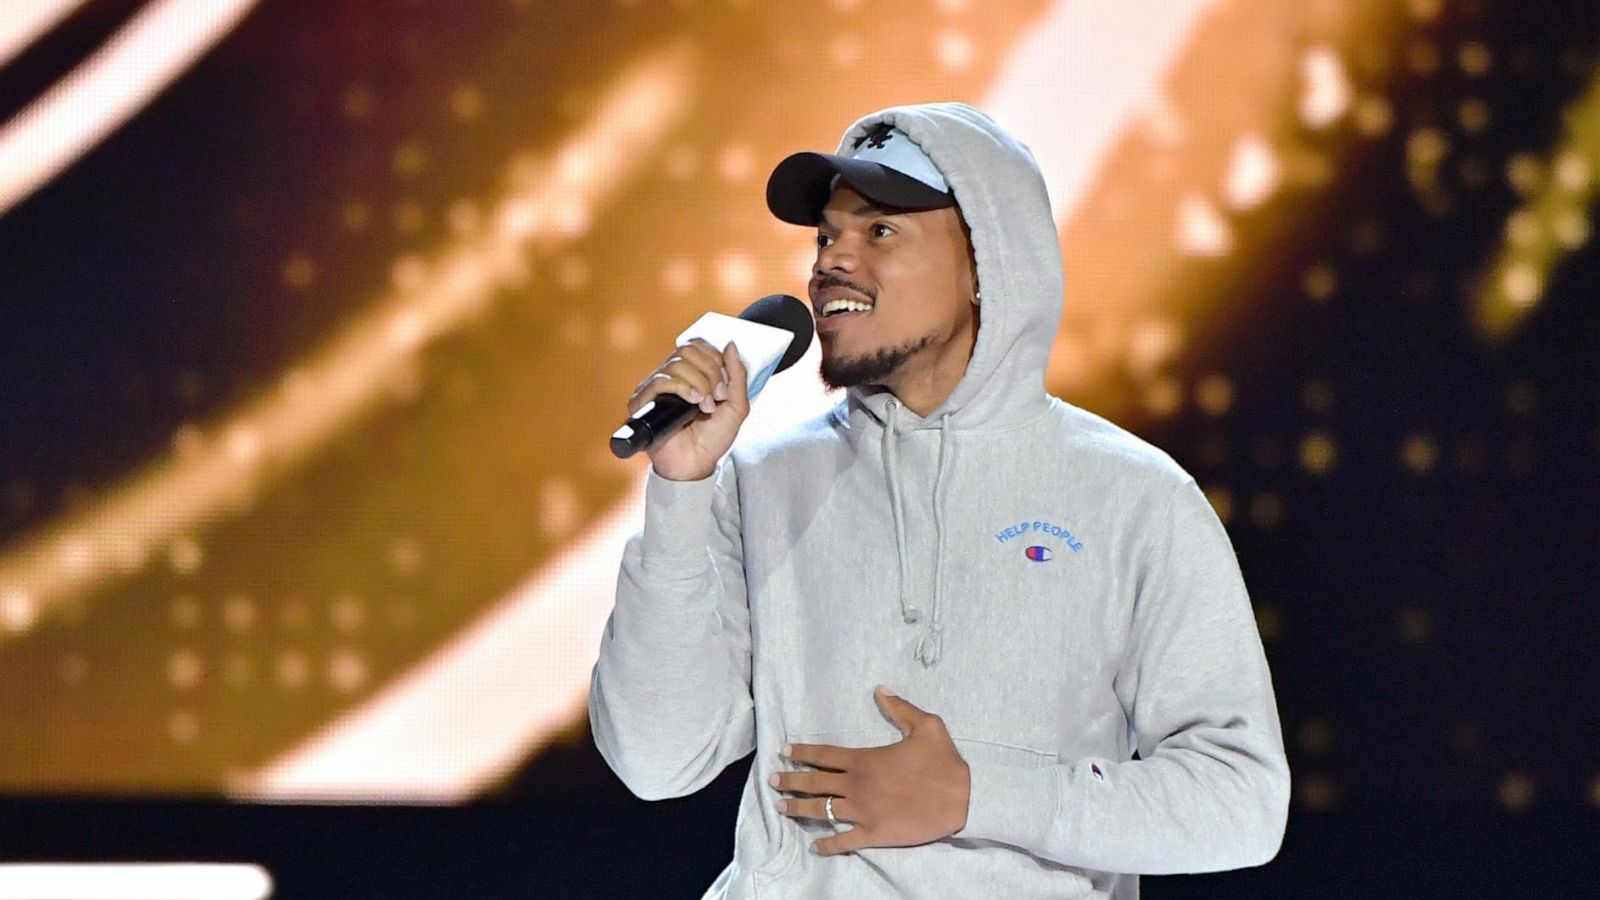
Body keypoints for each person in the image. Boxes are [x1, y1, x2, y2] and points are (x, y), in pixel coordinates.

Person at [589, 102, 1289, 899]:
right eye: (826, 236)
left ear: (989, 264)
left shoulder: (1136, 499)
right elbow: (655, 759)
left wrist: (974, 797)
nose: (831, 264)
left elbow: (1242, 802)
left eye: (880, 231)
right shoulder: (755, 480)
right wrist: (679, 493)